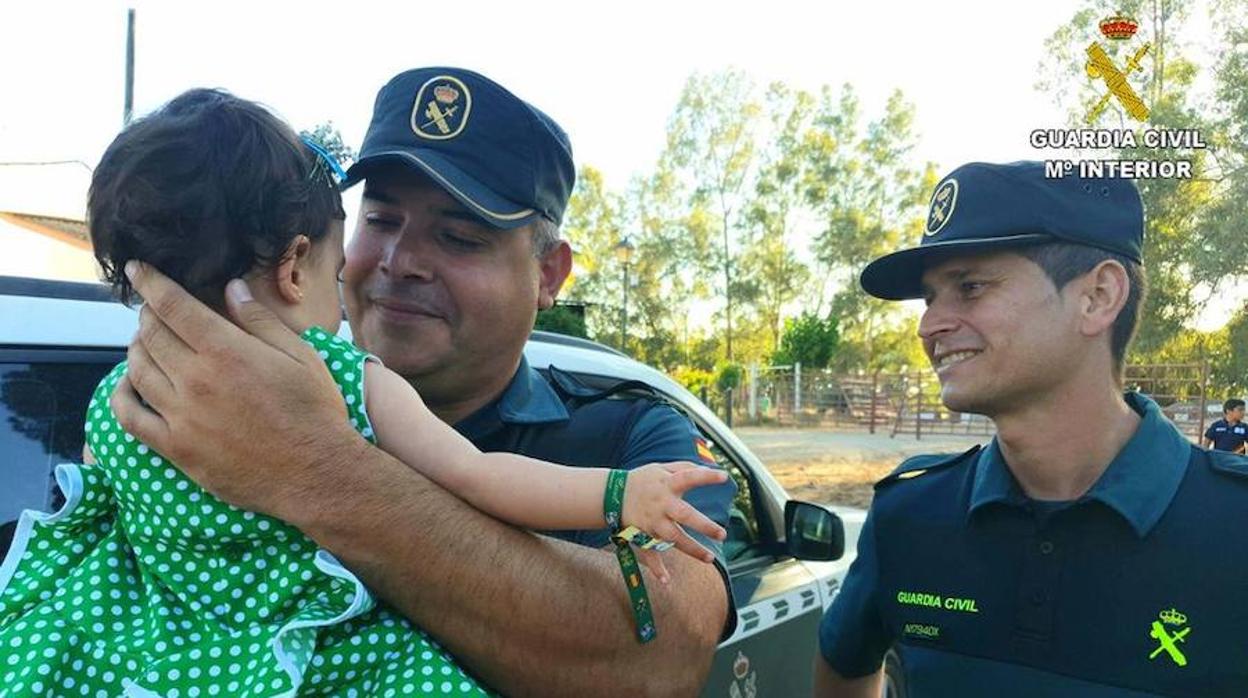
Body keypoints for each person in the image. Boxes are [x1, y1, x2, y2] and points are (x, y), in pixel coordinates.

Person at [0, 88, 729, 697]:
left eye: (460, 237)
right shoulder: (161, 396)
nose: (400, 262)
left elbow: (662, 654)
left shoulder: (635, 430)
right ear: (302, 262)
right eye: (379, 220)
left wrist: (315, 469)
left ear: (549, 274)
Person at [813, 161, 1248, 697]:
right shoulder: (909, 513)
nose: (929, 325)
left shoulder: (1235, 525)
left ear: (1098, 297)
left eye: (969, 287)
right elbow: (843, 666)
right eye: (930, 299)